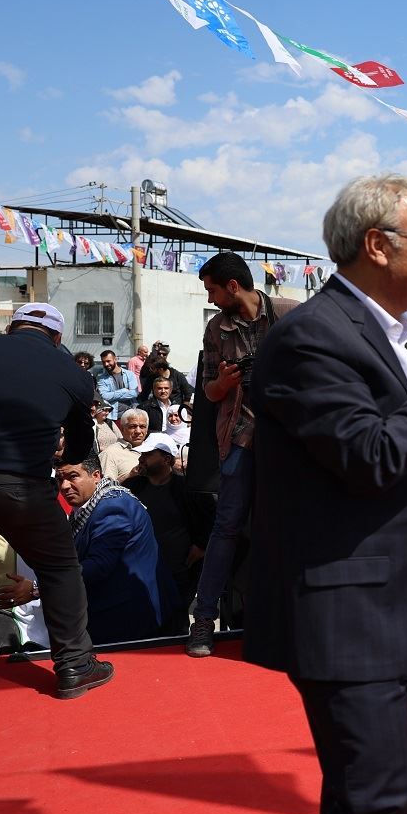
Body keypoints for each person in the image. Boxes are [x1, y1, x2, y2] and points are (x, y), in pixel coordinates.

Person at [242, 174, 407, 814]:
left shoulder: (386, 337)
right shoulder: (310, 339)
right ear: (378, 245)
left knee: (366, 796)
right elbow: (370, 454)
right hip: (350, 617)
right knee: (379, 798)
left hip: (397, 607)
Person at [0, 302, 114, 698]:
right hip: (20, 482)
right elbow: (79, 443)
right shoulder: (74, 374)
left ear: (12, 328)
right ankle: (75, 665)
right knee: (59, 568)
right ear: (57, 339)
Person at [185, 250, 300, 658]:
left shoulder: (291, 315)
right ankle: (203, 622)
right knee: (226, 527)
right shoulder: (216, 329)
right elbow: (209, 392)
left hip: (290, 442)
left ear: (233, 286)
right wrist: (227, 380)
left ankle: (296, 618)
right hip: (239, 437)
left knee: (294, 530)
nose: (211, 298)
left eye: (213, 289)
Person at [58, 454, 178, 645]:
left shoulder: (113, 507)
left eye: (73, 476)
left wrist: (39, 588)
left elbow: (99, 564)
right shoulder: (92, 502)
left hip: (131, 620)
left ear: (96, 475)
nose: (64, 486)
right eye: (60, 479)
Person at [123, 432, 211, 633]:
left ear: (166, 459)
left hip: (179, 571)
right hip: (142, 571)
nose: (141, 459)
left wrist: (201, 546)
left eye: (147, 455)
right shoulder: (132, 486)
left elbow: (211, 519)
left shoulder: (188, 488)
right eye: (141, 455)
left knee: (175, 622)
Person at [98, 409, 150, 481]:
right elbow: (105, 488)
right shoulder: (110, 454)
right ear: (122, 429)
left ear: (147, 430)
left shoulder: (153, 451)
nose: (138, 431)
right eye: (133, 426)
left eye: (142, 427)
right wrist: (129, 476)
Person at [96, 349, 139, 421]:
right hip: (114, 416)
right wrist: (124, 390)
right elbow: (105, 396)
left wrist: (112, 395)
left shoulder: (129, 374)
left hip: (132, 413)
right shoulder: (101, 379)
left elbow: (134, 393)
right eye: (103, 362)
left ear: (115, 359)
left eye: (108, 361)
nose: (106, 364)